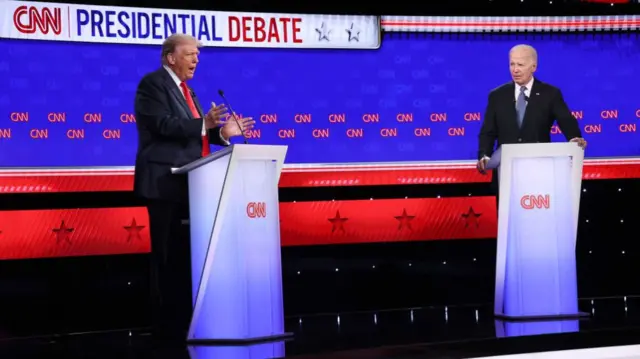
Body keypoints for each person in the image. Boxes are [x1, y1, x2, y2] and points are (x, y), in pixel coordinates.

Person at [133, 33, 255, 342]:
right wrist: (204, 123)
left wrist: (223, 133)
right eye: (189, 55)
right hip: (163, 184)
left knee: (186, 257)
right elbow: (162, 125)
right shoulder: (152, 85)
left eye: (197, 56)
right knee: (165, 257)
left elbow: (194, 135)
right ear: (170, 57)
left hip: (192, 186)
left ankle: (189, 322)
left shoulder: (189, 91)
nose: (195, 60)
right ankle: (164, 329)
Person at [476, 44, 587, 205]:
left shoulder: (550, 93)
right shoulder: (497, 95)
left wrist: (574, 138)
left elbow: (566, 121)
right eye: (512, 64)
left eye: (520, 65)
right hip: (507, 172)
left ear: (533, 66)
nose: (515, 69)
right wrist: (484, 155)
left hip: (539, 171)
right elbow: (488, 131)